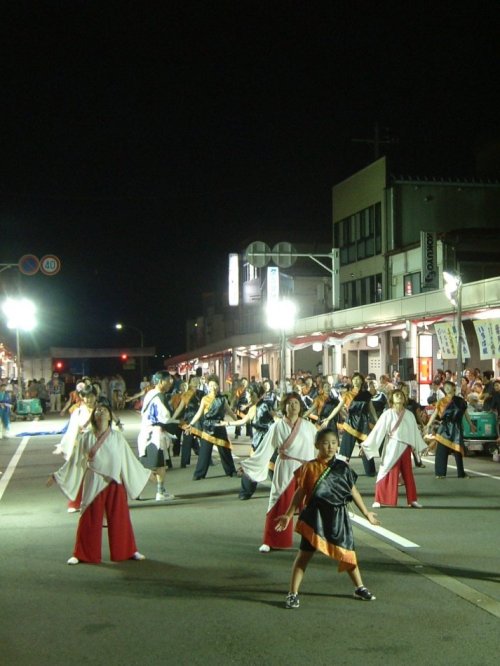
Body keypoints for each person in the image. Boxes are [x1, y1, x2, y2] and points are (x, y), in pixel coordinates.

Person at [275, 428, 379, 608]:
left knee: (347, 553)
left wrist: (366, 513)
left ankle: (359, 587)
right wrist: (289, 514)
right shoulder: (309, 467)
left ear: (338, 445)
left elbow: (352, 491)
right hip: (315, 517)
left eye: (333, 442)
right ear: (317, 445)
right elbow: (300, 492)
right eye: (325, 443)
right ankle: (292, 593)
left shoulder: (343, 467)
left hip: (338, 517)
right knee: (304, 556)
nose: (330, 447)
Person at [48, 400, 152, 565]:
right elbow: (76, 460)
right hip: (94, 479)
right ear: (93, 416)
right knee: (89, 517)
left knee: (120, 518)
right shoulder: (86, 437)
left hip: (115, 480)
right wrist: (58, 475)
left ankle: (128, 551)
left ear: (110, 416)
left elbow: (128, 459)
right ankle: (82, 553)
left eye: (104, 410)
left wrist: (145, 473)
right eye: (97, 410)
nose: (101, 412)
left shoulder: (117, 436)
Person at [239, 392, 317, 552]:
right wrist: (249, 465)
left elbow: (318, 449)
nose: (293, 406)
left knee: (310, 506)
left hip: (306, 469)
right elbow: (265, 449)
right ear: (284, 407)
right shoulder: (277, 426)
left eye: (296, 403)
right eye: (290, 403)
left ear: (300, 406)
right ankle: (271, 540)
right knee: (278, 501)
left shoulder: (309, 426)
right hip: (285, 467)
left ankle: (313, 540)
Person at [361, 389, 427, 508]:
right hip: (392, 446)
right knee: (385, 471)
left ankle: (412, 500)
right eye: (396, 395)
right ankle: (378, 499)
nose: (399, 397)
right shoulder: (387, 413)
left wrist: (420, 446)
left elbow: (415, 432)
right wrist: (366, 445)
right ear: (392, 399)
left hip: (405, 447)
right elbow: (378, 430)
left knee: (408, 474)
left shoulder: (409, 414)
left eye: (401, 395)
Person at [323, 373, 378, 476]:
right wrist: (328, 419)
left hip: (363, 425)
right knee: (344, 451)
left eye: (358, 379)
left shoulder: (366, 395)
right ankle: (340, 471)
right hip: (350, 425)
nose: (356, 381)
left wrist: (377, 420)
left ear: (362, 381)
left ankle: (371, 472)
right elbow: (338, 408)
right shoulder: (347, 395)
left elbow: (372, 409)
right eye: (354, 379)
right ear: (352, 382)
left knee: (366, 449)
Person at [185, 374, 238, 480]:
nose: (213, 387)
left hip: (219, 426)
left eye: (215, 385)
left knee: (225, 450)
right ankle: (199, 474)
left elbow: (230, 412)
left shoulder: (222, 399)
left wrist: (238, 421)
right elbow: (199, 413)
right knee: (204, 452)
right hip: (207, 427)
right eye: (210, 385)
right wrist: (190, 424)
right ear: (208, 386)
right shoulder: (204, 399)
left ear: (218, 386)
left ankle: (231, 471)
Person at [425, 380, 476, 479]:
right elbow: (435, 414)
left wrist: (471, 424)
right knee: (441, 451)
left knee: (458, 452)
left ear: (454, 388)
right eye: (445, 387)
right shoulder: (441, 401)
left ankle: (461, 474)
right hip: (444, 428)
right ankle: (440, 473)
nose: (447, 388)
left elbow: (466, 414)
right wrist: (428, 425)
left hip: (456, 428)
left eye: (449, 386)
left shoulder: (460, 401)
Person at [137, 371, 175, 500]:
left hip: (145, 434)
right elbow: (165, 417)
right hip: (155, 435)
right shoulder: (160, 396)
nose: (170, 383)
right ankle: (160, 492)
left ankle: (137, 490)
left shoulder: (150, 394)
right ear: (160, 381)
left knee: (148, 465)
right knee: (159, 466)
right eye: (168, 380)